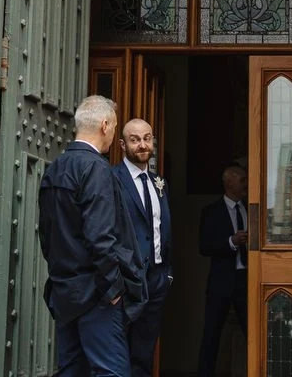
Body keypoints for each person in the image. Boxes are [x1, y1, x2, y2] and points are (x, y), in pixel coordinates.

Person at [38, 95, 148, 377]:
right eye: (113, 127)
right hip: (96, 294)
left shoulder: (55, 168)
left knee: (71, 370)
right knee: (112, 372)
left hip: (65, 290)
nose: (112, 134)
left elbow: (47, 236)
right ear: (105, 125)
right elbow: (101, 238)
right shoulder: (96, 169)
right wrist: (112, 289)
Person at [115, 119, 173, 377]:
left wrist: (167, 273)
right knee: (118, 350)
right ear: (122, 144)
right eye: (135, 139)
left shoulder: (159, 183)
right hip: (125, 279)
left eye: (147, 138)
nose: (142, 145)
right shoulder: (112, 179)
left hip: (157, 279)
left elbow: (164, 229)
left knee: (145, 352)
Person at [196, 163, 248, 377]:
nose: (247, 184)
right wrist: (232, 241)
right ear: (229, 183)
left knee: (254, 332)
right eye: (242, 180)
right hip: (221, 281)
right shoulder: (211, 212)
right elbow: (205, 246)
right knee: (212, 334)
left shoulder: (251, 207)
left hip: (247, 279)